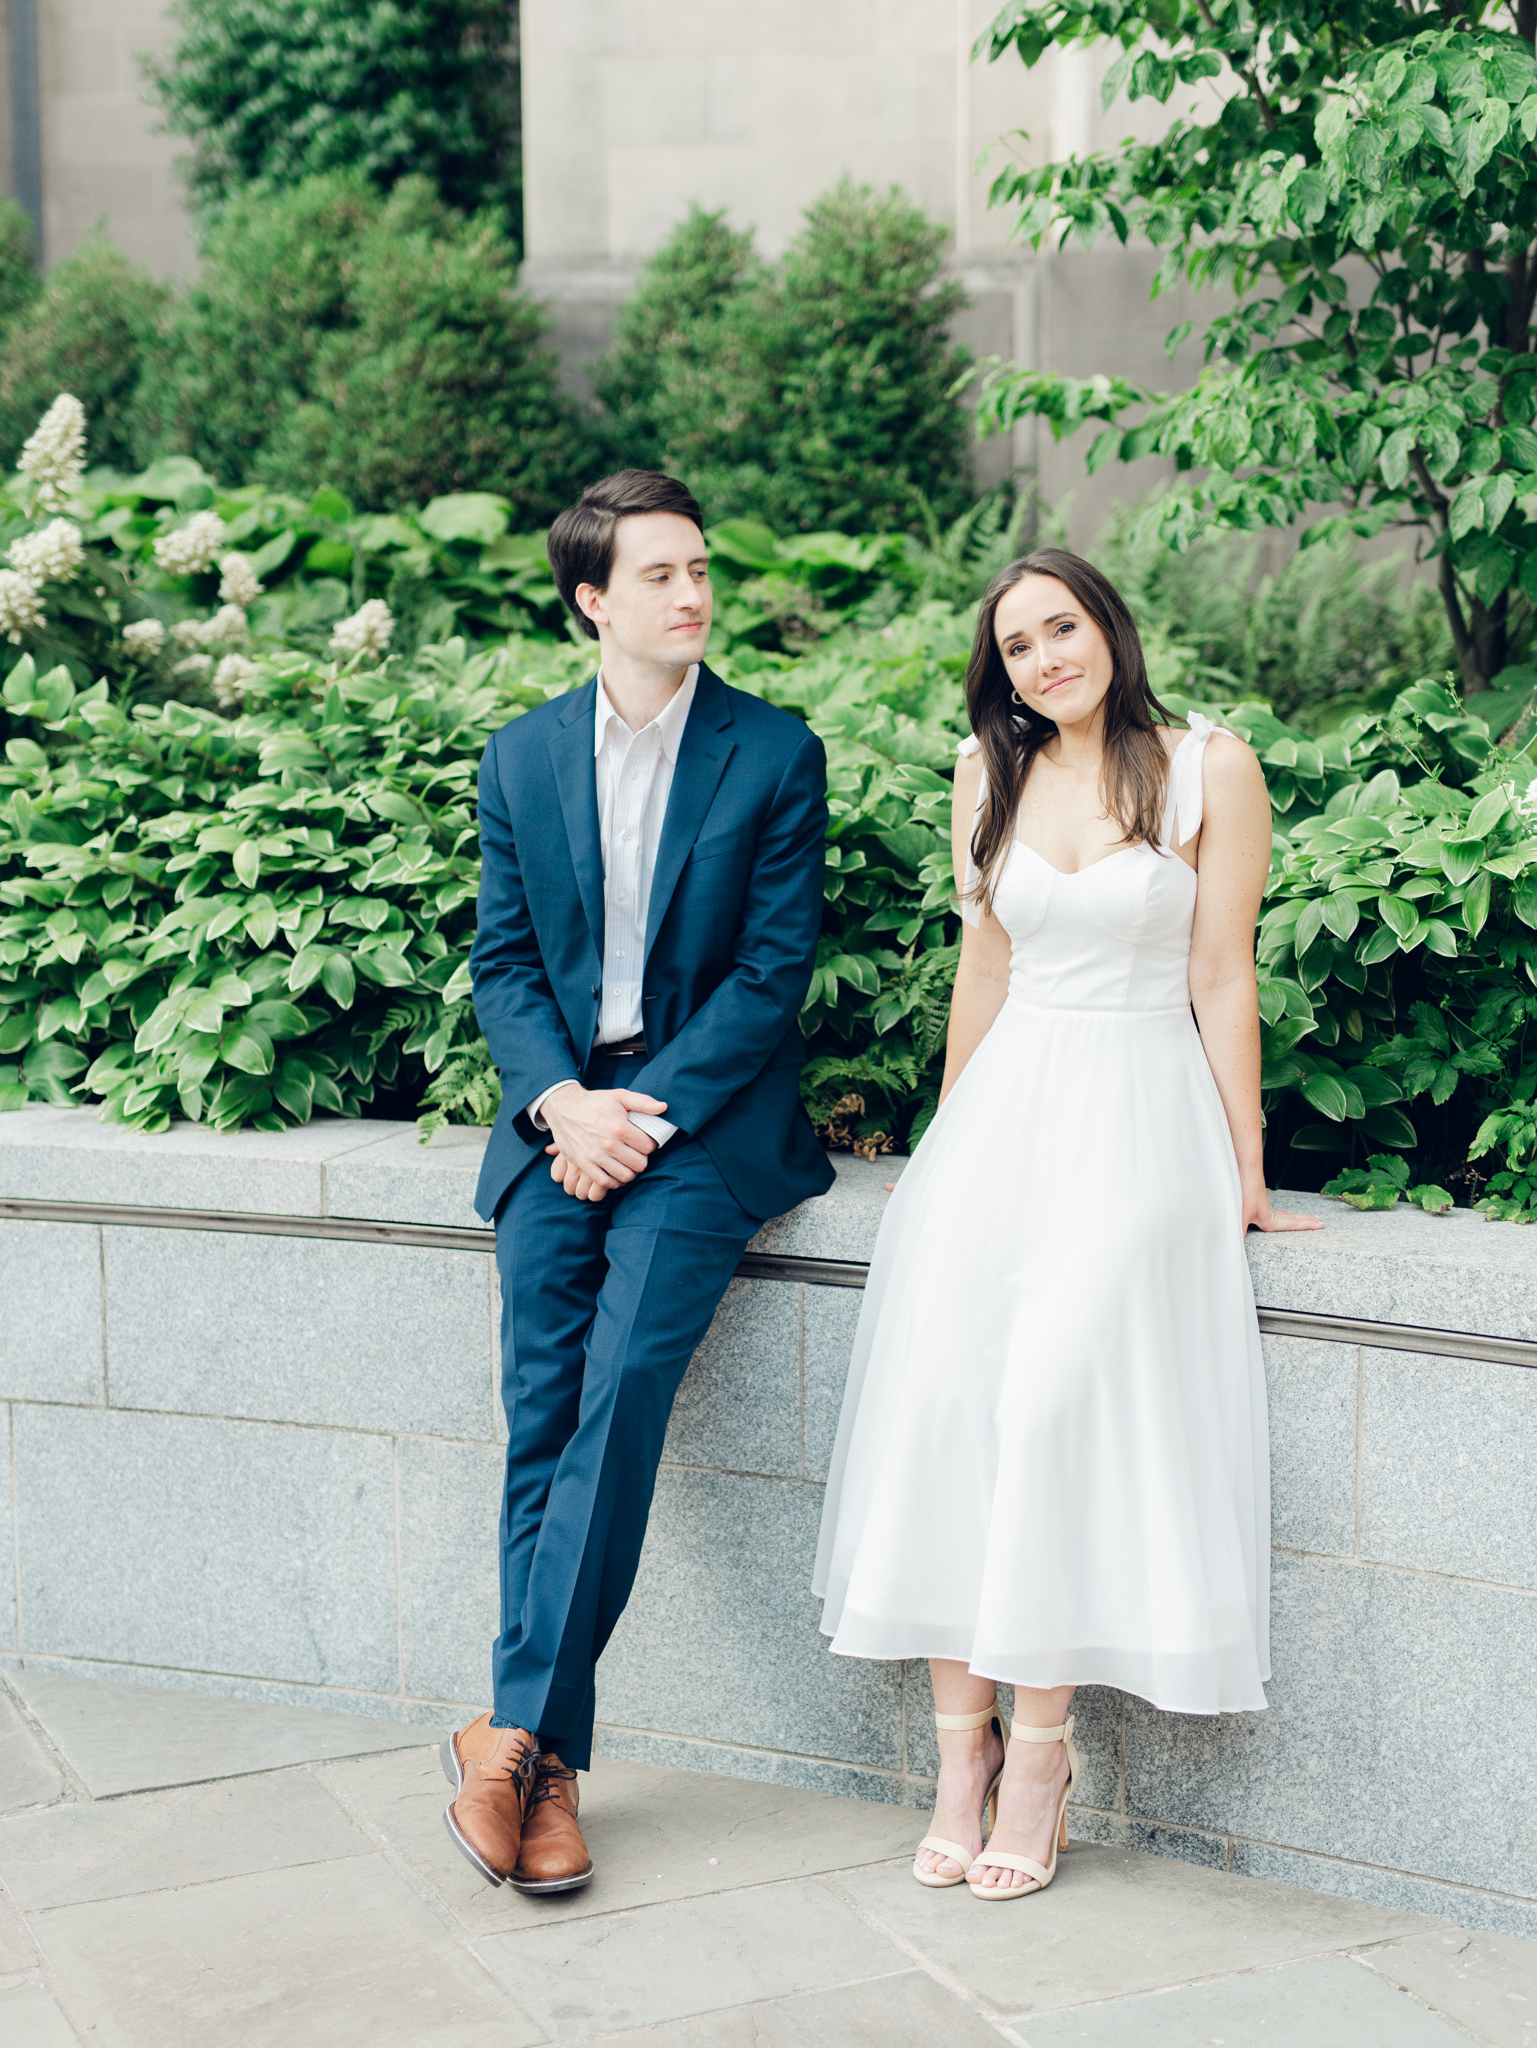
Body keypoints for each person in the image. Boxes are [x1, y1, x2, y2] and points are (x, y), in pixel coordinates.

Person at [812, 548, 1321, 1901]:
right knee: (949, 1412)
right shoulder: (989, 773)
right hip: (1004, 1122)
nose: (1046, 659)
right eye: (1019, 646)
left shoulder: (1208, 765)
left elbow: (1220, 971)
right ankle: (956, 1760)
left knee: (1045, 1413)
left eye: (1062, 627)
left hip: (1138, 1113)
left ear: (1107, 625)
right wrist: (939, 1144)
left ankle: (1040, 1760)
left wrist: (1243, 1161)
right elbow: (987, 964)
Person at [445, 470, 833, 1894]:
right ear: (592, 599)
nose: (693, 594)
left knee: (616, 1401)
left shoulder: (771, 752)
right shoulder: (519, 759)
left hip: (700, 1125)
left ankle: (515, 1743)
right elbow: (502, 963)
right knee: (541, 1413)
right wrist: (562, 1103)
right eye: (660, 575)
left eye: (700, 570)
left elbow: (766, 977)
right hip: (559, 1115)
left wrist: (639, 1117)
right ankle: (536, 1767)